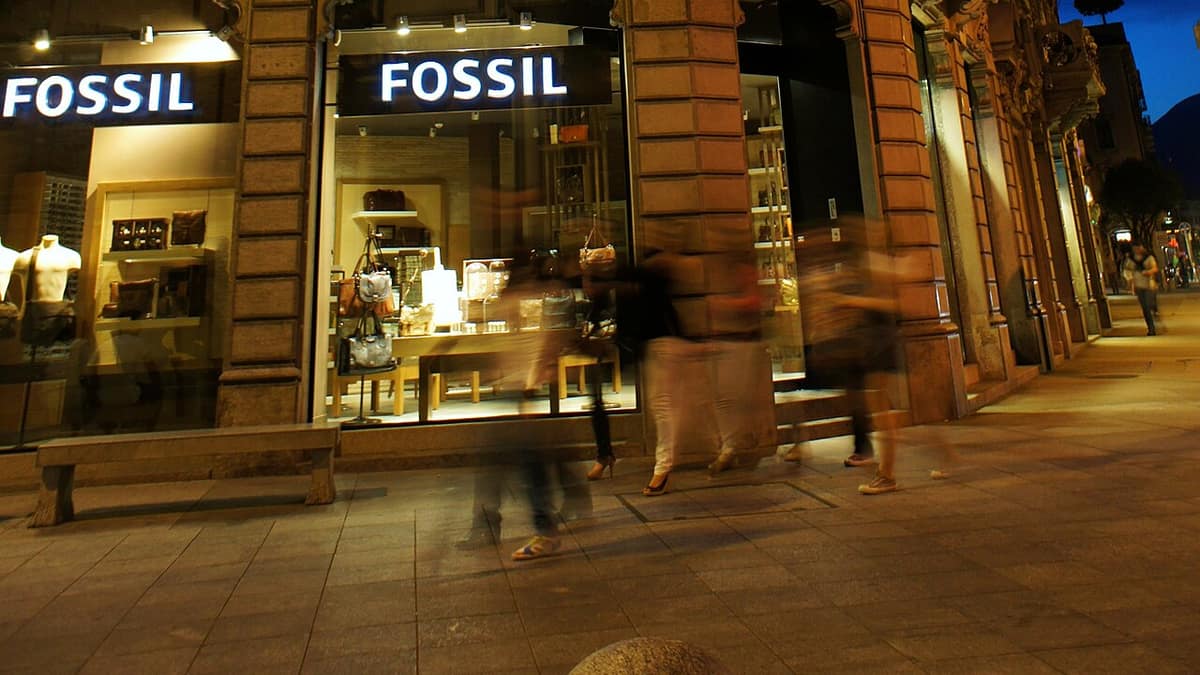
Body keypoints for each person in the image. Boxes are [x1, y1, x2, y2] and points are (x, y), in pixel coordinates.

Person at [1131, 243, 1159, 335]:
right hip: (1139, 286)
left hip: (1148, 285)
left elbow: (1155, 268)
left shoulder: (1148, 258)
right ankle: (1151, 328)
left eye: (1138, 248)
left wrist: (1148, 272)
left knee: (1147, 305)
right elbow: (1128, 272)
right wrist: (1132, 286)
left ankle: (1152, 327)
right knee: (1145, 308)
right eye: (1135, 248)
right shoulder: (1131, 259)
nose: (1137, 250)